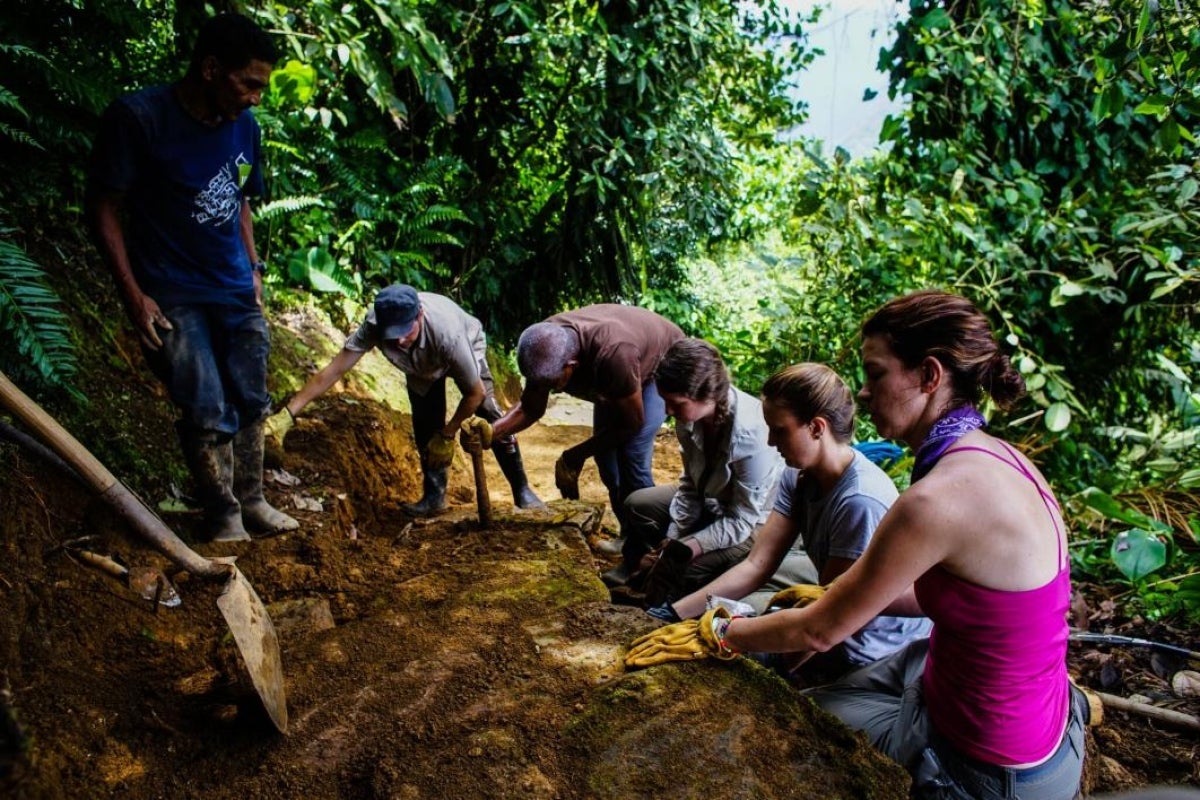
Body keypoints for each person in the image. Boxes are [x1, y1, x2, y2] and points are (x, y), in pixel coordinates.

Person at [626, 290, 1089, 800]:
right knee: (818, 692)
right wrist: (840, 593)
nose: (863, 393)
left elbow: (820, 632)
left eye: (875, 373)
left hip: (988, 766)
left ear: (929, 376)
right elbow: (964, 591)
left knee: (793, 727)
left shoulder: (934, 499)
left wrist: (719, 632)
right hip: (1021, 712)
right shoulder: (1002, 458)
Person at [87, 13, 296, 543]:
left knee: (251, 397)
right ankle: (222, 513)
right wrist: (134, 297)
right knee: (204, 402)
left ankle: (252, 500)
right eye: (249, 83)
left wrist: (253, 272)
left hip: (234, 286)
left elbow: (242, 199)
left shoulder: (245, 128)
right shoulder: (139, 119)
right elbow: (104, 208)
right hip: (171, 292)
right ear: (209, 69)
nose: (256, 98)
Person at [644, 361, 931, 687]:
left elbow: (825, 621)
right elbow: (758, 564)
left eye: (779, 430)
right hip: (825, 618)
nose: (770, 441)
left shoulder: (858, 502)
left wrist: (772, 672)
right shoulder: (798, 474)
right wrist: (675, 613)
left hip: (864, 644)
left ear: (817, 428)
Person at [263, 284, 545, 514]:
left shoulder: (447, 334)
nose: (397, 341)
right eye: (391, 335)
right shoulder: (375, 324)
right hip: (421, 368)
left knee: (489, 415)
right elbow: (334, 371)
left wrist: (448, 434)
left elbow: (475, 393)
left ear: (419, 315)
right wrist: (289, 412)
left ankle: (522, 490)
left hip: (464, 348)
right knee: (425, 424)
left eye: (404, 331)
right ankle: (434, 497)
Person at [470, 304, 683, 531]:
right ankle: (629, 536)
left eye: (551, 385)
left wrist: (573, 457)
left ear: (572, 366)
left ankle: (651, 546)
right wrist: (492, 432)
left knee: (631, 457)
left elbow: (630, 424)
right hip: (617, 375)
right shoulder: (545, 344)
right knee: (607, 464)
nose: (547, 390)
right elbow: (530, 408)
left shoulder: (614, 355)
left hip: (660, 364)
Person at [609, 338, 784, 604]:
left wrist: (685, 548)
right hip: (712, 499)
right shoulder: (688, 418)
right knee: (638, 504)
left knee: (683, 567)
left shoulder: (751, 434)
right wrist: (672, 539)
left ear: (708, 395)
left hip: (754, 521)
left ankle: (660, 598)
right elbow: (690, 486)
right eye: (665, 401)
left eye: (676, 403)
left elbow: (741, 519)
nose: (668, 411)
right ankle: (643, 573)